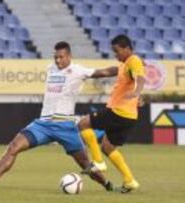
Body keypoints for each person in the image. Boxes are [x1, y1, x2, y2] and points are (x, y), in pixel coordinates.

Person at [0, 41, 118, 192]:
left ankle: (108, 185)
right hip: (43, 124)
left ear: (69, 56)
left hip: (65, 126)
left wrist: (124, 69)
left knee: (86, 164)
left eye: (61, 57)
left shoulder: (78, 71)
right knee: (13, 147)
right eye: (55, 57)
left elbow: (104, 72)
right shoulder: (51, 68)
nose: (58, 60)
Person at [79, 34, 146, 193]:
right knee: (108, 147)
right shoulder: (124, 64)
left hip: (118, 112)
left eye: (117, 51)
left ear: (127, 48)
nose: (115, 55)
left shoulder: (133, 60)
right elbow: (114, 72)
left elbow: (141, 78)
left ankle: (98, 163)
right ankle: (129, 181)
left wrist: (137, 92)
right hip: (128, 117)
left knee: (83, 124)